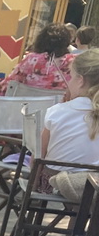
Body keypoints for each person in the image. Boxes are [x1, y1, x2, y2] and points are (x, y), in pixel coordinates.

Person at [38, 48, 99, 200]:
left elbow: (39, 154)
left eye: (70, 77)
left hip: (54, 183)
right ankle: (77, 223)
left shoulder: (58, 110)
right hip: (91, 188)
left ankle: (30, 213)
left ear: (80, 80)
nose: (68, 82)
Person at [0, 23, 73, 96]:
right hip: (59, 109)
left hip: (27, 108)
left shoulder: (31, 60)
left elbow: (2, 89)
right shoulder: (73, 63)